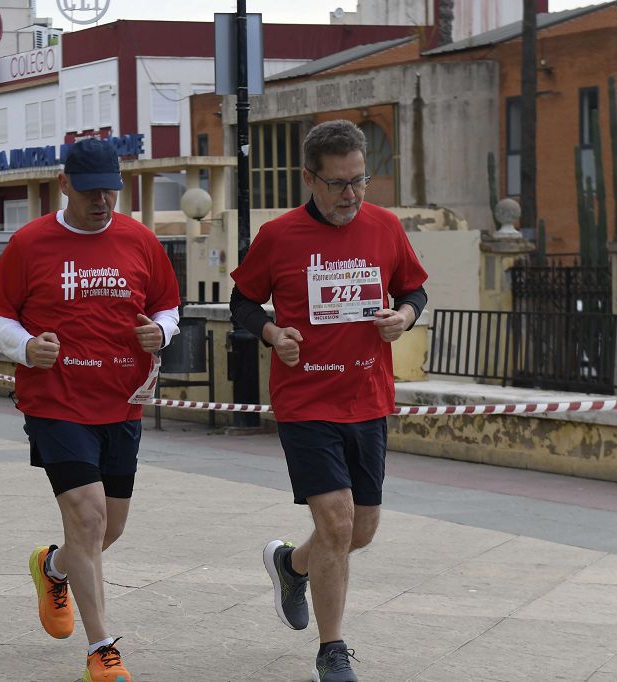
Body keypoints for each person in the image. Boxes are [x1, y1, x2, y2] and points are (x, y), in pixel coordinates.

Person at [229, 120, 428, 682]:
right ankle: (332, 650)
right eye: (338, 183)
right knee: (337, 523)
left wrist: (403, 316)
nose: (351, 194)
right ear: (309, 178)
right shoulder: (278, 236)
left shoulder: (385, 226)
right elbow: (243, 302)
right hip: (306, 401)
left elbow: (414, 289)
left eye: (359, 180)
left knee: (360, 531)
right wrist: (273, 334)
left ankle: (291, 565)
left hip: (368, 397)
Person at [0, 137, 181, 682]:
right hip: (56, 400)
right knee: (89, 517)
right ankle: (101, 649)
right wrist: (26, 347)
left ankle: (52, 567)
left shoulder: (140, 240)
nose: (101, 201)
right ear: (65, 184)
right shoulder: (30, 243)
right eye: (91, 191)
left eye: (110, 191)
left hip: (122, 402)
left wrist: (160, 332)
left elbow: (168, 305)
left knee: (106, 529)